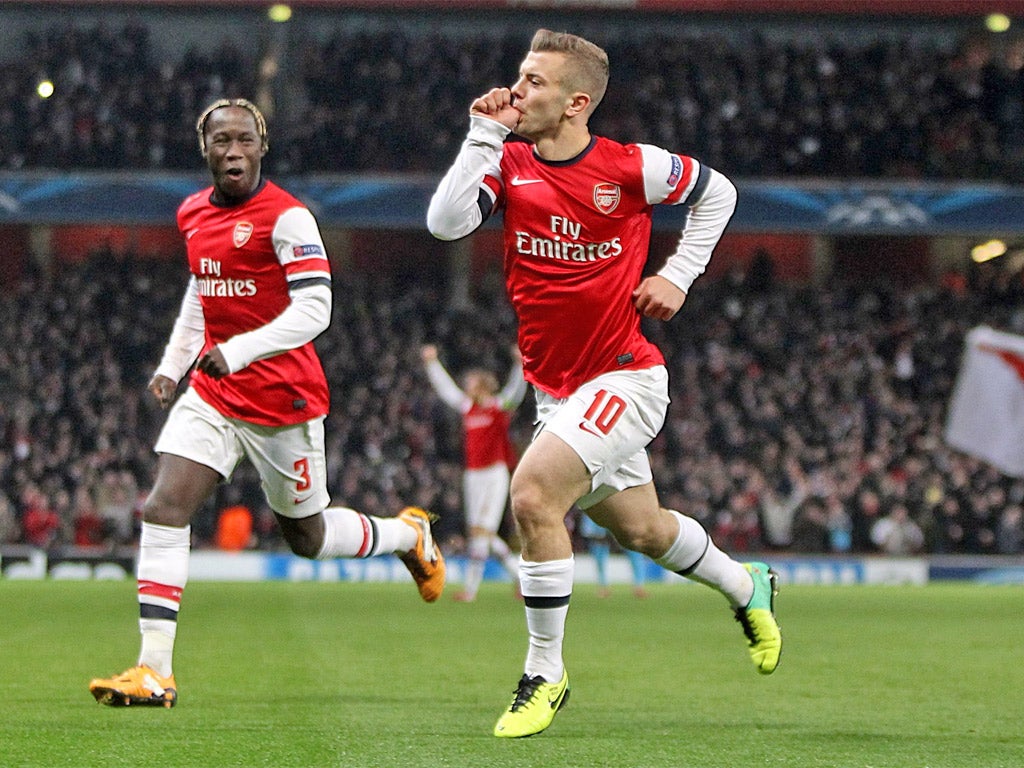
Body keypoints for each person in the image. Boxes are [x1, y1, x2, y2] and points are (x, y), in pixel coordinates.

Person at [427, 29, 781, 738]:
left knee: (531, 497)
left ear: (576, 101)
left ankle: (544, 674)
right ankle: (748, 586)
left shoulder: (630, 167)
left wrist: (677, 275)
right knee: (644, 531)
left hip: (625, 375)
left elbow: (720, 193)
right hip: (559, 392)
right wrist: (479, 134)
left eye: (534, 82)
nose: (517, 90)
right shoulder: (510, 161)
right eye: (519, 78)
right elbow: (444, 224)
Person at [89, 98, 445, 709]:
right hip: (215, 393)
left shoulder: (288, 218)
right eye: (221, 140)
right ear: (204, 150)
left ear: (262, 147)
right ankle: (154, 671)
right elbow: (204, 293)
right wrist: (174, 366)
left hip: (284, 401)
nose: (233, 150)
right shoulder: (192, 213)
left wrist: (242, 350)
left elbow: (316, 309)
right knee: (164, 506)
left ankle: (406, 536)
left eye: (244, 140)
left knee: (306, 537)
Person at [421, 343, 526, 601]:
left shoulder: (497, 406)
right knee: (482, 534)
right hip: (473, 475)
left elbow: (515, 391)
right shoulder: (468, 408)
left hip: (494, 474)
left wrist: (519, 365)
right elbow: (447, 390)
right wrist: (432, 364)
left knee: (482, 533)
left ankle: (470, 590)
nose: (466, 385)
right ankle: (520, 579)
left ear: (482, 386)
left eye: (471, 382)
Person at [578, 512, 648, 598]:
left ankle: (639, 586)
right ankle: (603, 586)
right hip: (601, 517)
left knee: (634, 551)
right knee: (600, 551)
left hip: (620, 515)